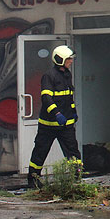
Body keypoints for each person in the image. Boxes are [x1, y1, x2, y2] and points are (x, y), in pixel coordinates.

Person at [27, 45, 81, 189]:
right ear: (60, 59)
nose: (71, 61)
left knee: (73, 152)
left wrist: (73, 111)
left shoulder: (67, 74)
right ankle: (33, 180)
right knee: (40, 152)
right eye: (69, 59)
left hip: (66, 124)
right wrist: (56, 113)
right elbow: (46, 98)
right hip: (48, 125)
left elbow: (69, 96)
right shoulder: (49, 76)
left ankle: (77, 179)